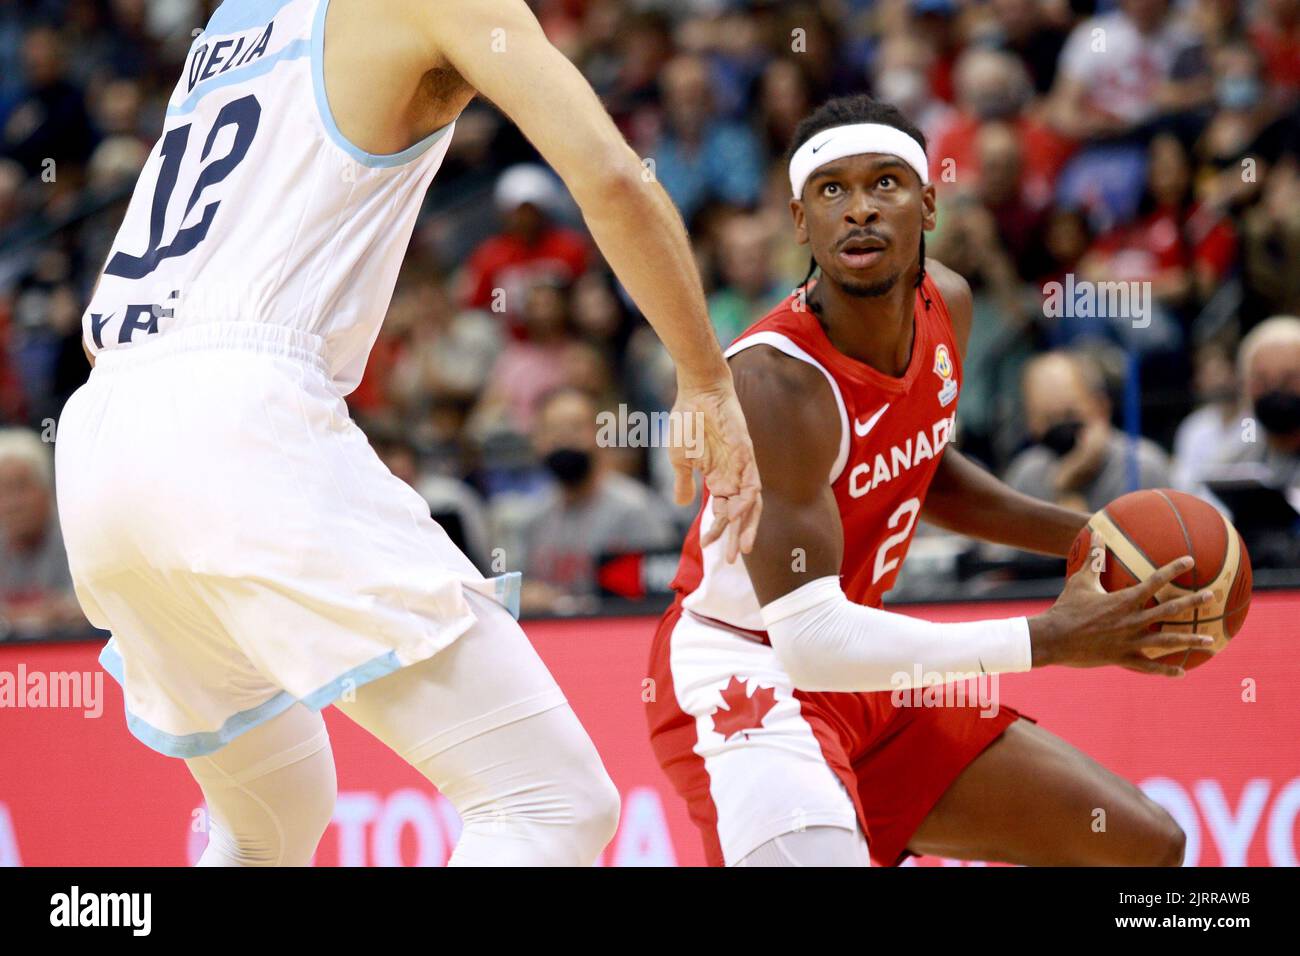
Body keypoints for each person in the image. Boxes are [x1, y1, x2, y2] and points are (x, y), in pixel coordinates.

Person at [55, 0, 760, 868]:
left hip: (103, 432)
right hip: (235, 412)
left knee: (270, 818)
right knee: (550, 803)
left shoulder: (237, 16)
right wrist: (703, 375)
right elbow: (611, 175)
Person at [646, 95, 1217, 868]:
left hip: (869, 676)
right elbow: (809, 643)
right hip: (751, 672)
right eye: (832, 191)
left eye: (885, 183)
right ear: (799, 221)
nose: (860, 210)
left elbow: (925, 467)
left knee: (1143, 848)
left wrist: (1088, 537)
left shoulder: (947, 301)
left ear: (929, 203)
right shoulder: (775, 384)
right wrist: (1050, 639)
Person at [520, 387, 675, 615]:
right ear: (537, 441)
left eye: (575, 428)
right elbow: (518, 589)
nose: (564, 439)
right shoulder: (533, 518)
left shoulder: (635, 510)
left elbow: (660, 595)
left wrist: (565, 604)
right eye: (552, 431)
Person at [1005, 350, 1174, 514]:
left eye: (1070, 414)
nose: (1060, 427)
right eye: (1047, 419)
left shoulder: (1140, 467)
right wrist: (1062, 485)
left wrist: (1069, 490)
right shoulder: (1027, 473)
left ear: (1101, 408)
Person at [0, 428, 84, 639]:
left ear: (48, 489)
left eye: (21, 487)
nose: (12, 504)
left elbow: (89, 610)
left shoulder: (78, 540)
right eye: (2, 491)